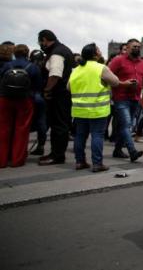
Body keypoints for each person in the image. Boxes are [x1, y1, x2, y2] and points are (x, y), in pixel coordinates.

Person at [68, 43, 133, 172]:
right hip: (97, 109)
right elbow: (115, 82)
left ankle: (80, 162)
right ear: (94, 54)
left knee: (80, 136)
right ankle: (97, 163)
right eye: (98, 50)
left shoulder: (76, 69)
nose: (100, 51)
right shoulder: (100, 68)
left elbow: (68, 87)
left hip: (79, 109)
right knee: (97, 135)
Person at [37, 30, 74, 166]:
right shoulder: (63, 49)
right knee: (60, 124)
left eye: (41, 42)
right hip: (63, 94)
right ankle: (56, 153)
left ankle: (57, 155)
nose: (41, 44)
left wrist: (47, 89)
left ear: (45, 40)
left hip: (59, 94)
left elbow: (55, 74)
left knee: (58, 125)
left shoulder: (57, 52)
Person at [0, 44, 41, 167]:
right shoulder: (33, 67)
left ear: (14, 53)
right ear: (27, 53)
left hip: (5, 99)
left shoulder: (7, 66)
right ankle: (17, 160)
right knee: (22, 130)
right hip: (24, 100)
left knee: (3, 129)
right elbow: (37, 87)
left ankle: (2, 160)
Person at [108, 38, 143, 162]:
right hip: (121, 98)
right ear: (127, 48)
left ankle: (117, 150)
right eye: (134, 46)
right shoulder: (118, 60)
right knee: (127, 125)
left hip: (135, 98)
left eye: (138, 46)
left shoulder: (141, 63)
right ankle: (132, 151)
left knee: (125, 126)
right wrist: (123, 83)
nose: (137, 48)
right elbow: (107, 76)